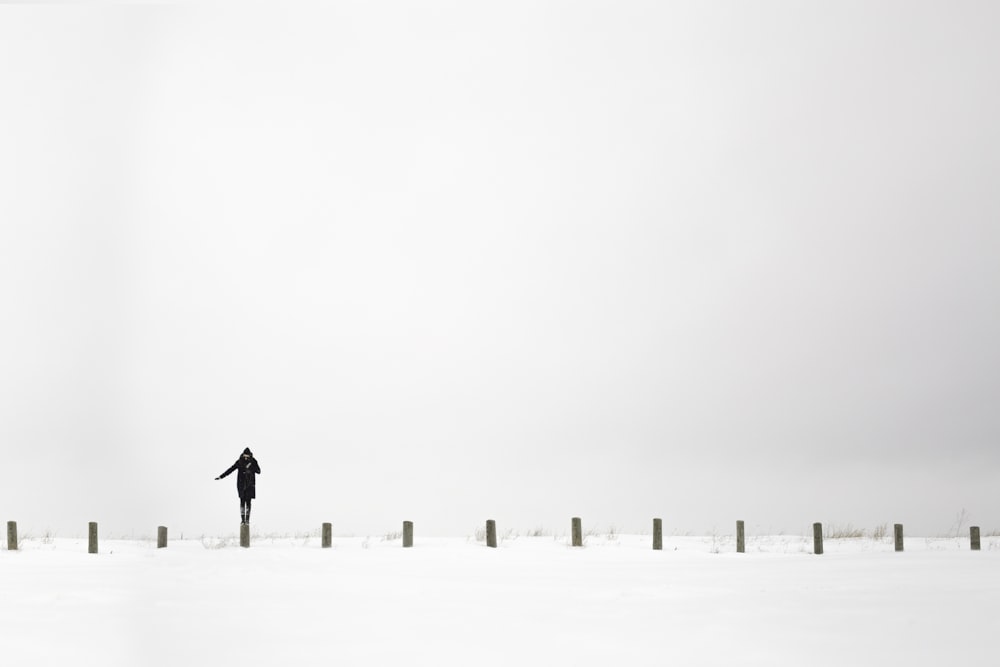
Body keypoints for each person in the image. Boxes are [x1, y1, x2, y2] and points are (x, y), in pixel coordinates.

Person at [216, 447, 261, 526]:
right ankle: (242, 520)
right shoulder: (239, 462)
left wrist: (250, 468)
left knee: (248, 502)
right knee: (242, 502)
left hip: (250, 485)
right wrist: (221, 476)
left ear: (250, 455)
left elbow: (259, 471)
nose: (246, 457)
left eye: (247, 456)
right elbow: (230, 469)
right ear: (243, 455)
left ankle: (247, 520)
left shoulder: (253, 461)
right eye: (245, 456)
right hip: (241, 485)